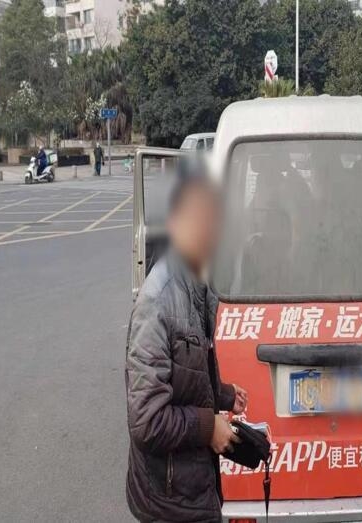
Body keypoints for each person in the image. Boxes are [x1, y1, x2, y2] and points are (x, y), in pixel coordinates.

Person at [125, 166, 248, 523]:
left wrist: (224, 395)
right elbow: (147, 421)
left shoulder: (198, 283)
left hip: (193, 484)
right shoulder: (157, 302)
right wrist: (209, 427)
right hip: (167, 500)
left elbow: (188, 371)